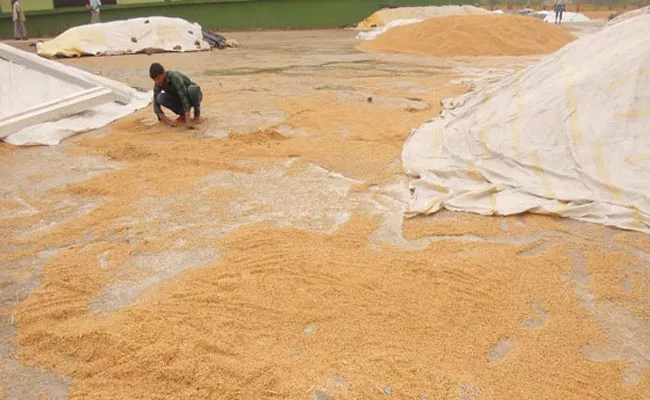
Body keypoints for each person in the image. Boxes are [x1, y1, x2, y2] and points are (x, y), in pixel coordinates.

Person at [149, 62, 203, 127]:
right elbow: (156, 104)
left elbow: (184, 97)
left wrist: (188, 120)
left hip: (191, 96)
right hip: (178, 99)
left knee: (192, 89)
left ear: (163, 74)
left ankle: (197, 115)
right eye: (155, 80)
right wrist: (166, 120)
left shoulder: (174, 77)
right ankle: (182, 114)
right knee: (160, 97)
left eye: (158, 79)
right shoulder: (157, 83)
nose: (157, 82)